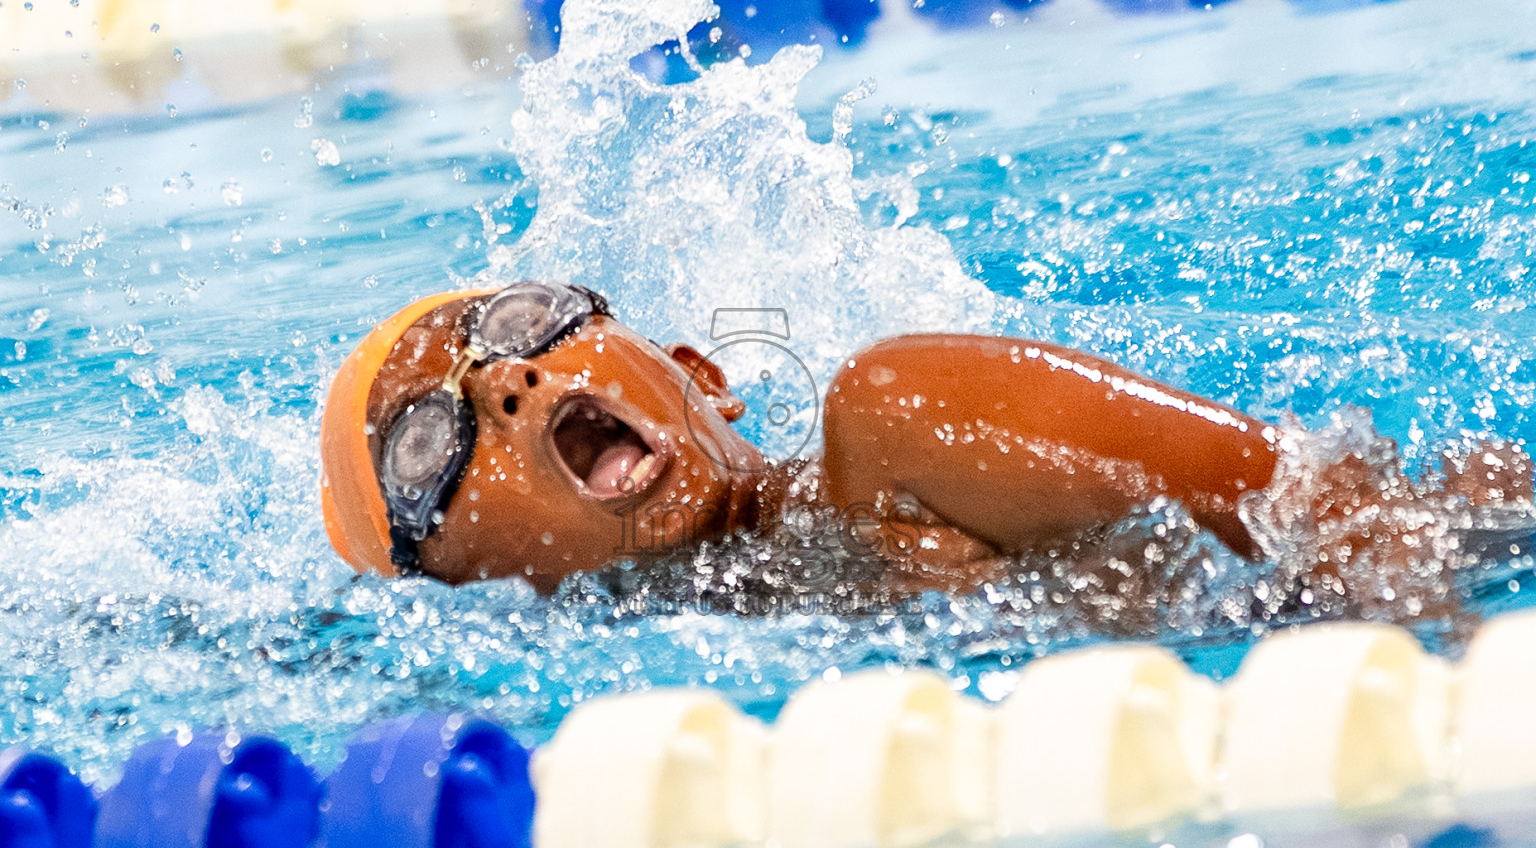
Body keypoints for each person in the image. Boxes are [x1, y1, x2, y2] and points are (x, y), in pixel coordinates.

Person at [320, 282, 1531, 609]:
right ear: (458, 583)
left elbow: (1328, 505)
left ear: (702, 377)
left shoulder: (895, 424)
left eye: (522, 325)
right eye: (429, 443)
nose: (508, 381)